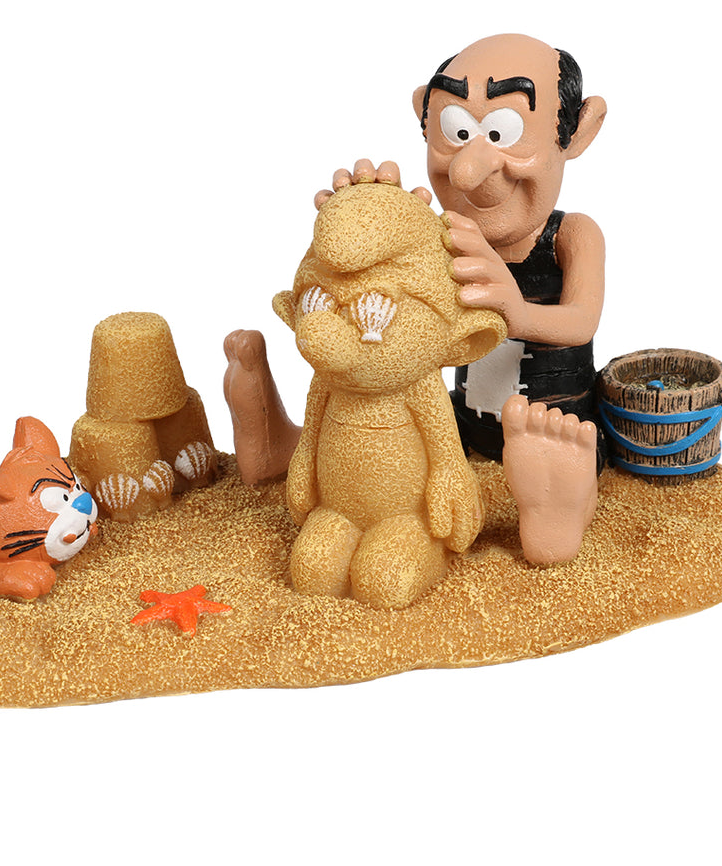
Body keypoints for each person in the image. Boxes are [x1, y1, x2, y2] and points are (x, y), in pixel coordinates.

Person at [225, 33, 606, 566]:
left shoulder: (572, 235)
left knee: (556, 443)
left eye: (502, 132)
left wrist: (516, 312)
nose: (467, 170)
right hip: (464, 421)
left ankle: (559, 498)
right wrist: (369, 211)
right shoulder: (443, 232)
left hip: (555, 418)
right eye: (456, 132)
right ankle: (279, 444)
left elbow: (582, 321)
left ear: (578, 131)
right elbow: (390, 278)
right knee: (390, 421)